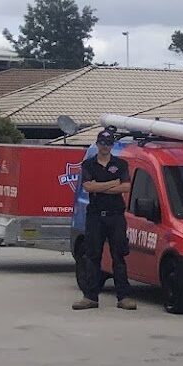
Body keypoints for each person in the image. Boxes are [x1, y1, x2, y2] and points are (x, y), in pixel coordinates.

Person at [73, 129, 136, 311]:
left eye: (109, 143)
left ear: (112, 145)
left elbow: (125, 187)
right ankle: (90, 297)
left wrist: (100, 187)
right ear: (98, 144)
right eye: (102, 143)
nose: (105, 146)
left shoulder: (121, 164)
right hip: (95, 216)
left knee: (119, 256)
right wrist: (111, 184)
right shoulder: (89, 164)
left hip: (115, 215)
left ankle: (123, 297)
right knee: (92, 256)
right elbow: (87, 186)